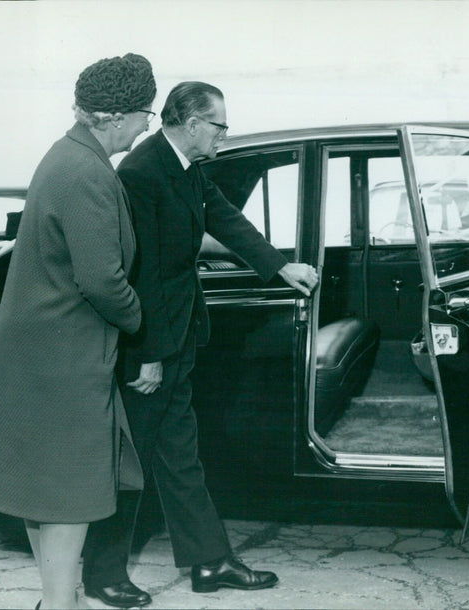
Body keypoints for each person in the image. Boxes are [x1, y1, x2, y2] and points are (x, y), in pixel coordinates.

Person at [81, 81, 318, 608]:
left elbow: (224, 217)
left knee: (181, 458)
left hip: (178, 336)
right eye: (220, 127)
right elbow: (136, 274)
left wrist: (279, 266)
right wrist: (148, 354)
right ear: (191, 126)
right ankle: (101, 573)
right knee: (130, 462)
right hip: (152, 347)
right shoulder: (140, 174)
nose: (223, 137)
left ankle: (209, 560)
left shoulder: (185, 169)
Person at [0, 54, 157, 610]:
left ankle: (60, 599)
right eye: (145, 113)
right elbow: (102, 281)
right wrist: (139, 322)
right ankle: (58, 605)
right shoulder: (86, 172)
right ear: (119, 116)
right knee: (70, 489)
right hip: (64, 357)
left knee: (46, 487)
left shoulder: (66, 155)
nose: (148, 125)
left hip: (41, 352)